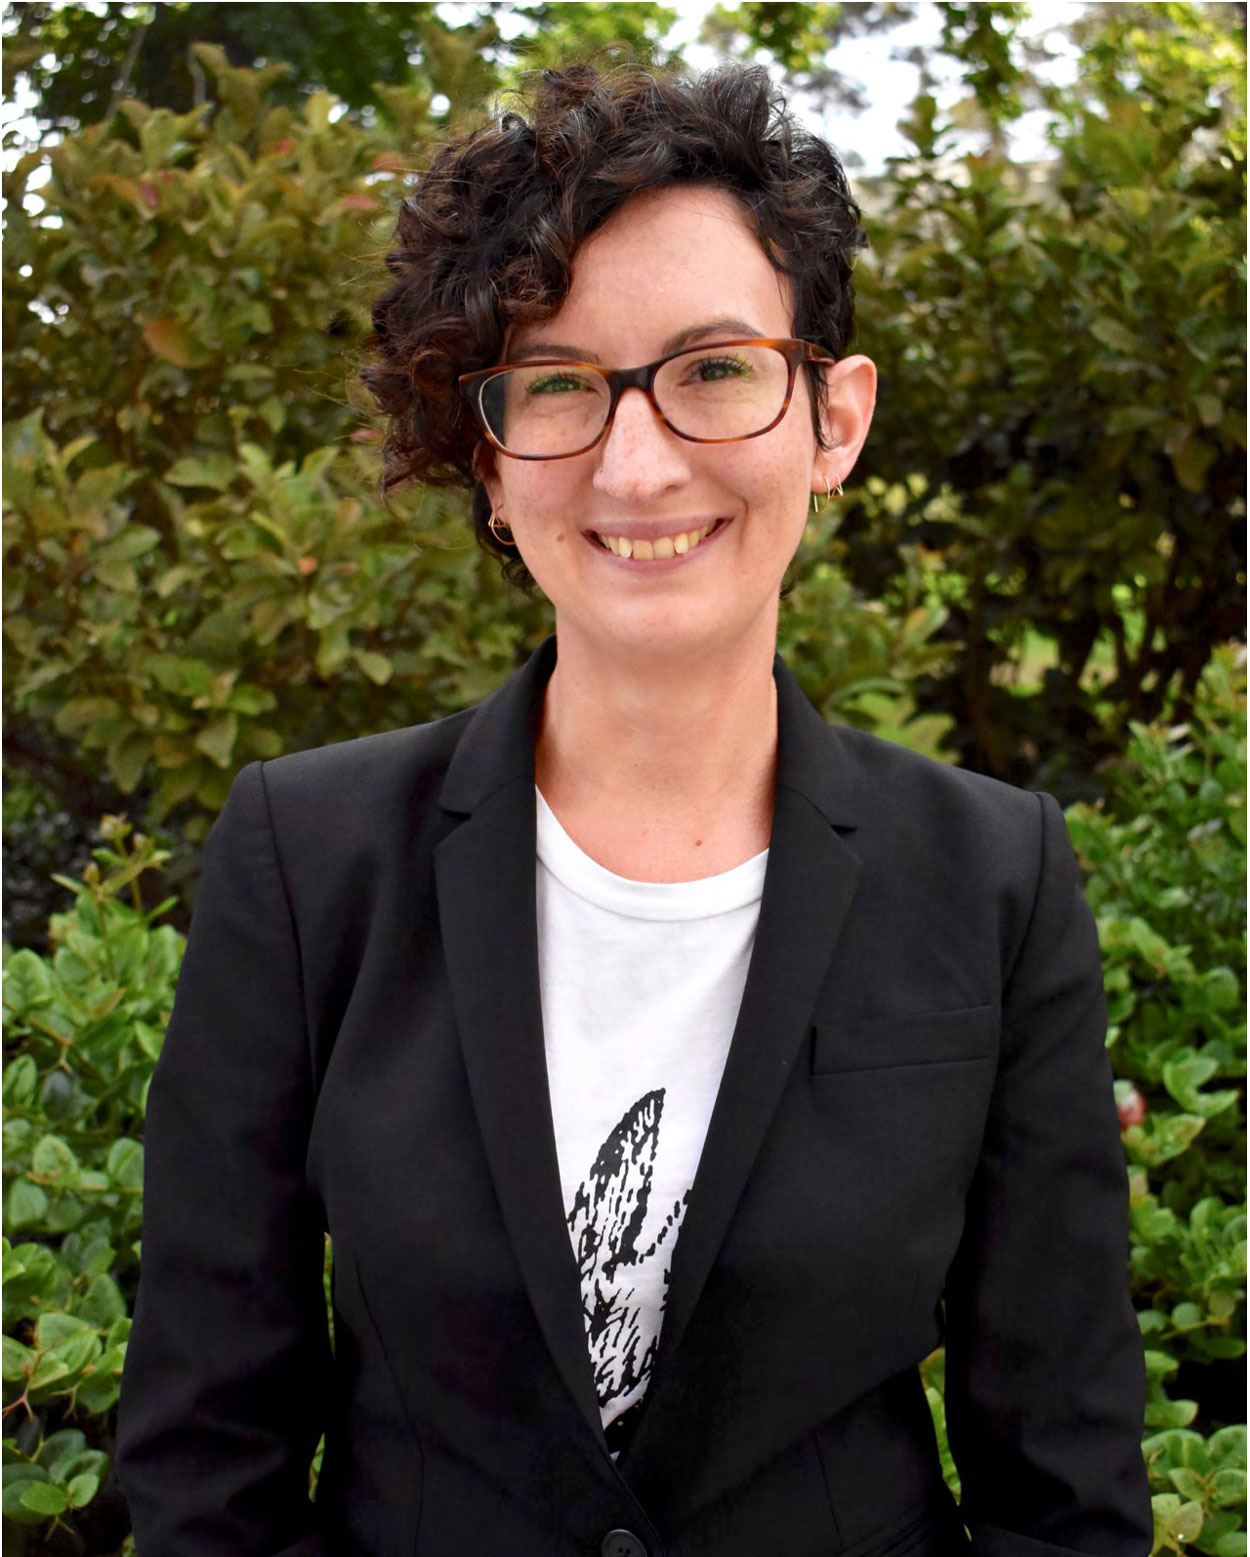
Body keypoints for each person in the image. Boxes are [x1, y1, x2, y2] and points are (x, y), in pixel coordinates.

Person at [116, 61, 1152, 1557]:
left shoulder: (993, 880)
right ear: (486, 451)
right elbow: (207, 1456)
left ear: (832, 415)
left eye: (713, 366)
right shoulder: (308, 858)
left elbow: (1061, 1477)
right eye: (556, 383)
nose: (638, 458)